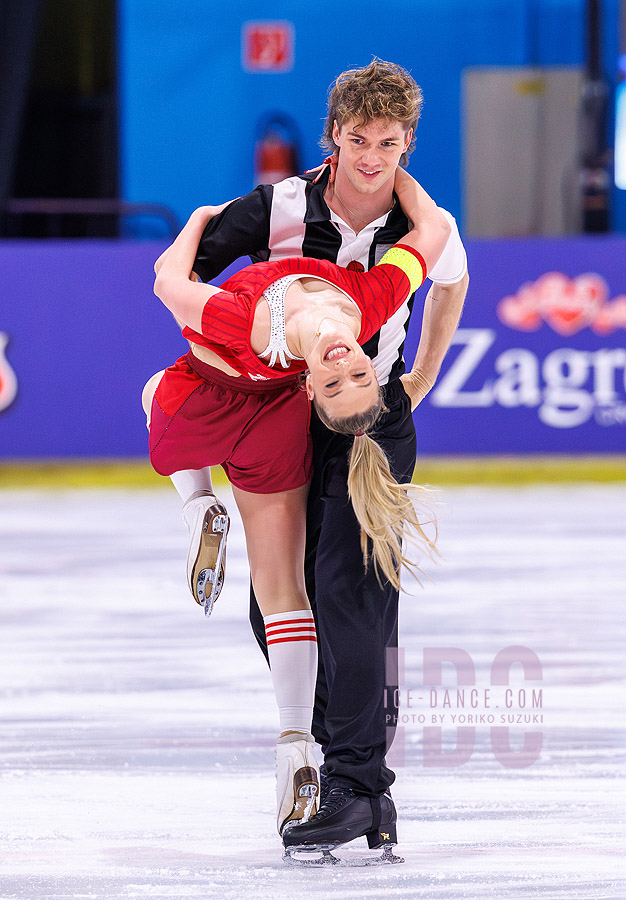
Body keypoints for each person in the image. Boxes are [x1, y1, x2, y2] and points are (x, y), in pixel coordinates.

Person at [177, 58, 469, 857]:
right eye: (357, 139)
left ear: (408, 141)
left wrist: (425, 371)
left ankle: (359, 784)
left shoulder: (422, 224)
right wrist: (242, 365)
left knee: (353, 586)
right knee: (278, 603)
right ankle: (342, 769)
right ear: (331, 138)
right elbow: (194, 283)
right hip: (283, 411)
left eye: (388, 141)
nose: (373, 157)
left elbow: (453, 280)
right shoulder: (277, 207)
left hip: (371, 416)